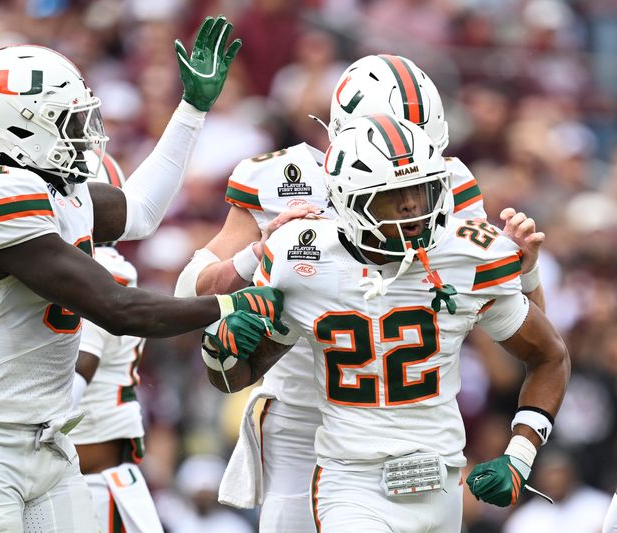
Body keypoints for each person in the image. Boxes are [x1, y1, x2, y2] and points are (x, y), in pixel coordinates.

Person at [0, 16, 284, 532]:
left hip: (49, 438)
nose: (83, 133)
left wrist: (192, 110)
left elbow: (140, 212)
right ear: (17, 128)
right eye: (66, 120)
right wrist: (228, 306)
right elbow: (116, 307)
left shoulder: (44, 185)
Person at [174, 54, 546, 533]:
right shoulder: (280, 177)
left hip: (403, 408)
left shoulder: (444, 182)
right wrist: (256, 254)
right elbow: (190, 295)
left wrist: (523, 273)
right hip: (300, 407)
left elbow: (528, 332)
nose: (410, 167)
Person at [65, 152, 163, 533]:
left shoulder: (99, 270)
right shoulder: (90, 266)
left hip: (92, 488)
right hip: (84, 481)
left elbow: (79, 371)